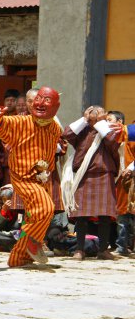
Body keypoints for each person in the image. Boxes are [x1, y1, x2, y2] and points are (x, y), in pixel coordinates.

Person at [0, 86, 62, 267]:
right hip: (23, 177)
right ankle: (33, 241)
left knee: (36, 217)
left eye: (47, 100)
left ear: (55, 106)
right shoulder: (21, 122)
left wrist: (47, 172)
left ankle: (19, 258)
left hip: (42, 178)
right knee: (46, 208)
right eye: (39, 99)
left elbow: (53, 150)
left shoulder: (54, 127)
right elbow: (1, 127)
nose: (40, 103)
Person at [62, 106, 119, 261]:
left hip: (104, 173)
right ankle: (79, 250)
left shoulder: (109, 129)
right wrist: (84, 120)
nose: (94, 114)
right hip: (84, 174)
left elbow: (113, 142)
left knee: (105, 215)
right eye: (90, 112)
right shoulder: (83, 130)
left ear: (105, 115)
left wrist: (101, 124)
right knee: (81, 215)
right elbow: (66, 134)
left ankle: (102, 250)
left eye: (97, 112)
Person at [110, 111, 134, 256]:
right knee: (121, 214)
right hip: (118, 179)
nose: (107, 122)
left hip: (130, 178)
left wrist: (131, 168)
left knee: (127, 214)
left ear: (119, 122)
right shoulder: (112, 137)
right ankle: (121, 246)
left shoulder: (130, 134)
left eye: (110, 119)